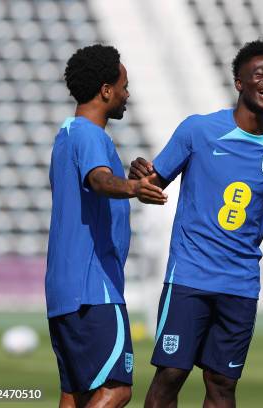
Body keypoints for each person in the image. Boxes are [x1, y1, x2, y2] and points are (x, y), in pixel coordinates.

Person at [129, 40, 263, 408]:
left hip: (240, 284)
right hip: (190, 276)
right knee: (171, 375)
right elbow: (152, 183)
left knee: (222, 383)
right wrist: (138, 175)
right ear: (239, 82)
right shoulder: (198, 130)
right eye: (260, 74)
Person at [45, 44, 167, 408]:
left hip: (66, 290)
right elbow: (98, 180)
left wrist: (126, 176)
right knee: (117, 389)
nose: (127, 94)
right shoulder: (89, 134)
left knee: (77, 394)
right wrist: (132, 187)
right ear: (106, 90)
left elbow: (95, 181)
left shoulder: (69, 134)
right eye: (124, 86)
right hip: (92, 288)